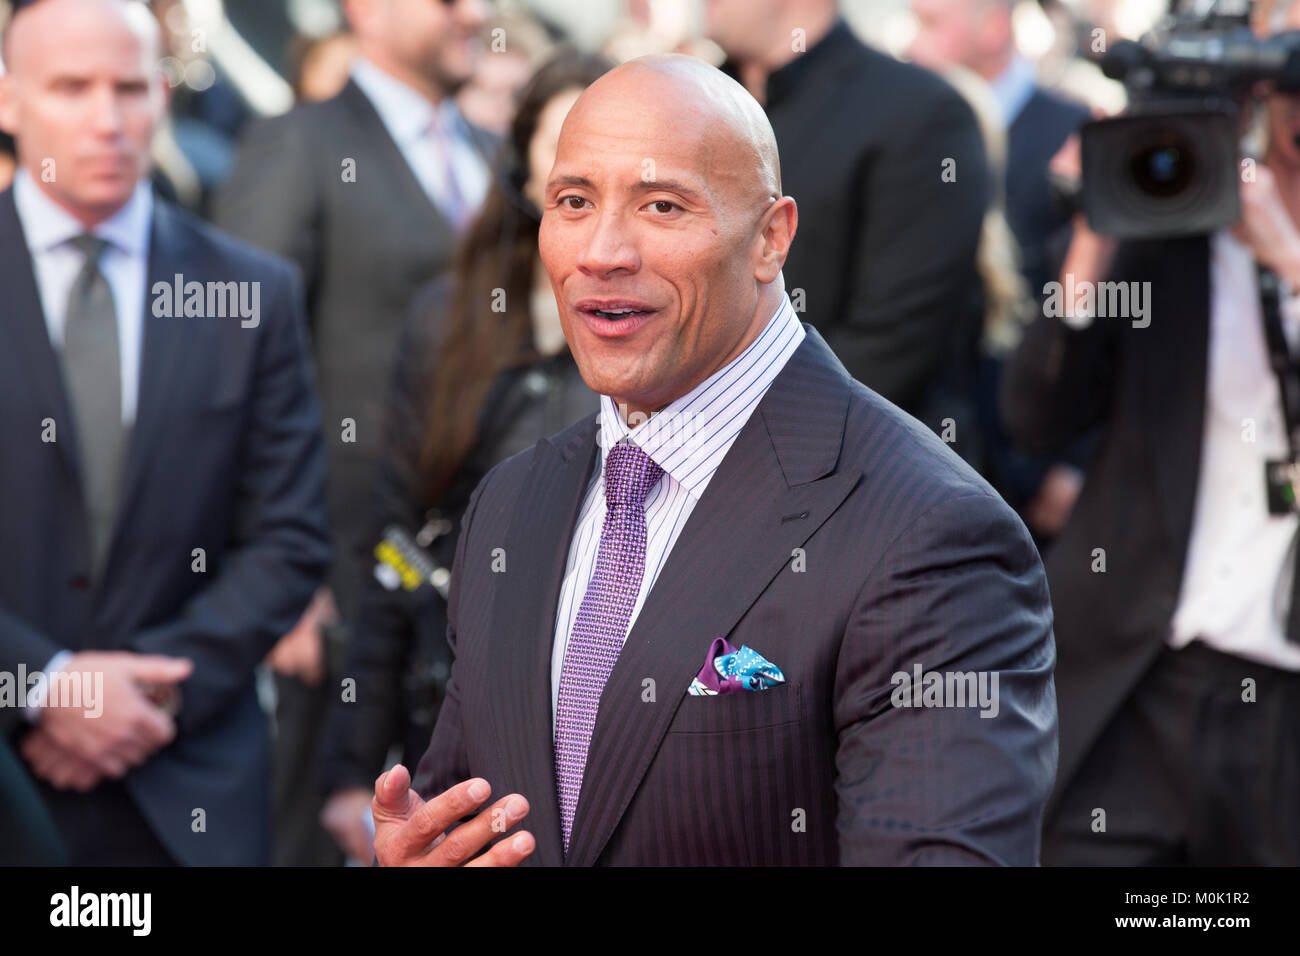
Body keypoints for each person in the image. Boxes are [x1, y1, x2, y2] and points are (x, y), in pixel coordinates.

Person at [368, 53, 1057, 867]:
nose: (602, 251)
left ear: (772, 237)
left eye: (662, 206)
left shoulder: (930, 534)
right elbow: (477, 814)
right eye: (573, 201)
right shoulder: (512, 502)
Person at [0, 0, 329, 865]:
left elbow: (289, 541)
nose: (107, 121)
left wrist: (143, 694)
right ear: (8, 100)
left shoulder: (252, 294)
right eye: (71, 88)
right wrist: (41, 684)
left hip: (189, 790)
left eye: (132, 87)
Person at [1002, 0, 1300, 869]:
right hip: (1139, 674)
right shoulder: (1180, 210)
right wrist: (1094, 243)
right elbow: (1035, 415)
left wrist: (1286, 261)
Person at [213, 0, 497, 866]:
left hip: (470, 577)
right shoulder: (297, 143)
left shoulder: (494, 159)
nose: (474, 14)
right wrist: (272, 566)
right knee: (309, 826)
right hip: (330, 576)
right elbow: (231, 361)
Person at [318, 49, 609, 864]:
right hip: (457, 715)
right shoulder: (452, 323)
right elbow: (395, 539)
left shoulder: (672, 343)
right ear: (524, 176)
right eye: (568, 173)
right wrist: (351, 770)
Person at [704, 0, 990, 436]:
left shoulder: (918, 112)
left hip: (859, 473)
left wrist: (722, 430)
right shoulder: (697, 103)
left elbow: (893, 341)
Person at [907, 0, 1095, 543]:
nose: (913, 44)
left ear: (992, 28)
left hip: (1039, 451)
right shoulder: (911, 130)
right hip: (949, 458)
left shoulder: (1071, 131)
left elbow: (1097, 308)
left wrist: (1069, 463)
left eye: (930, 24)